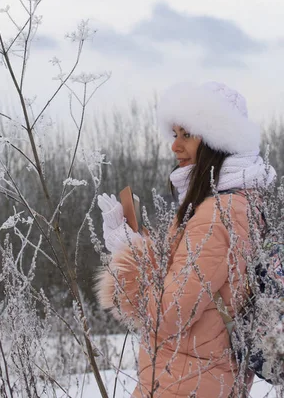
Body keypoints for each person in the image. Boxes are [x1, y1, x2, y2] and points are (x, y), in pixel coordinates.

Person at [95, 81, 276, 398]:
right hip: (207, 378)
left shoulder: (216, 215)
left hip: (184, 383)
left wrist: (128, 252)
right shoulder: (243, 204)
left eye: (187, 135)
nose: (174, 146)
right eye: (175, 134)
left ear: (217, 141)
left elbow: (169, 316)